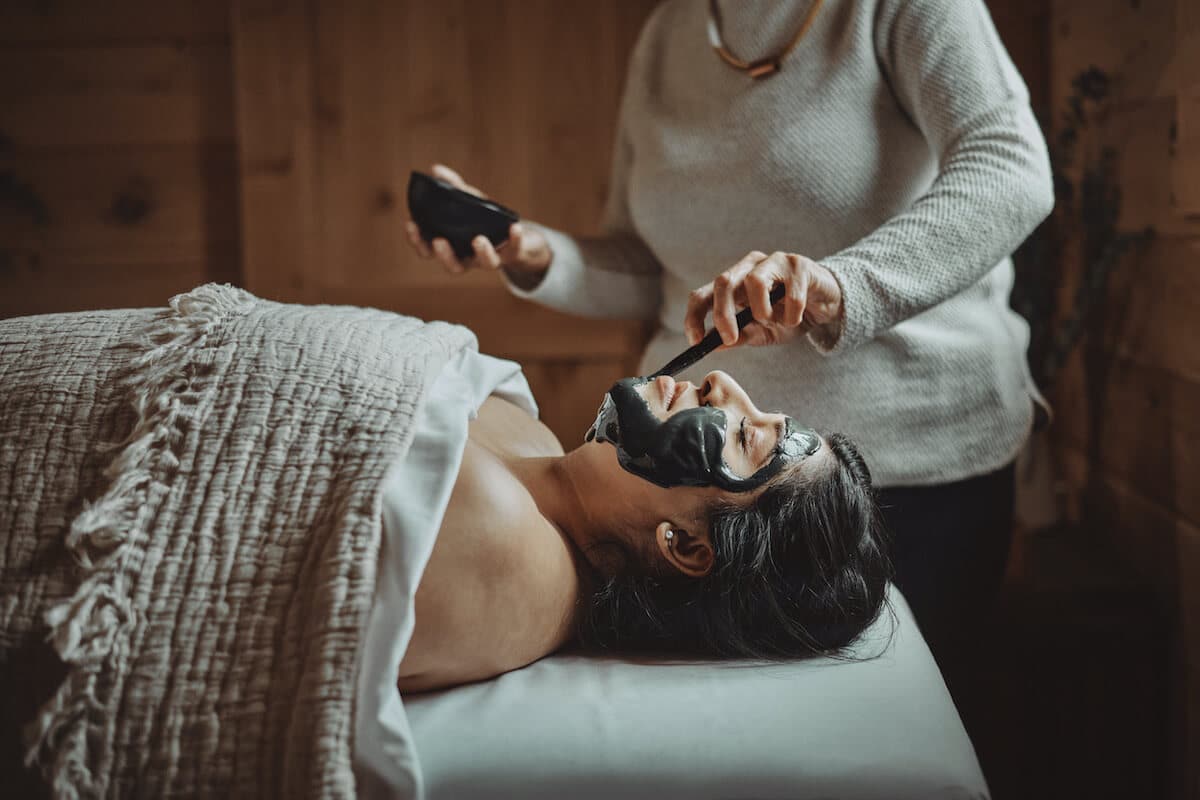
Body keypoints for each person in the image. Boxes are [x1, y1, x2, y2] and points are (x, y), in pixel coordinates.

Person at [403, 0, 1053, 665]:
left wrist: (838, 287)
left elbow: (1014, 170)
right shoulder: (667, 36)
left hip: (915, 468)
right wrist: (533, 254)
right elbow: (654, 272)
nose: (722, 382)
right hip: (675, 514)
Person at [397, 369, 891, 693]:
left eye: (745, 434)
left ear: (685, 543)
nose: (723, 381)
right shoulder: (535, 440)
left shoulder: (497, 537)